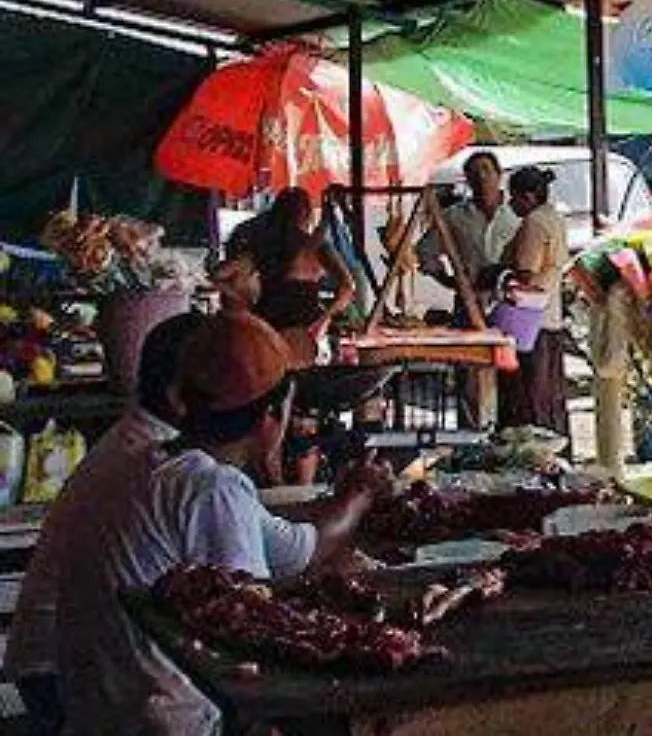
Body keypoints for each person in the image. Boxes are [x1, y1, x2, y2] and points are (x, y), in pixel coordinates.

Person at [53, 309, 388, 736]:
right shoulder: (209, 488)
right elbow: (258, 637)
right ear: (270, 418)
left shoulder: (149, 462)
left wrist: (356, 498)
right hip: (162, 722)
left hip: (97, 710)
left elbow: (299, 547)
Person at [4, 311, 202, 736]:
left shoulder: (141, 442)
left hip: (58, 659)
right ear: (179, 394)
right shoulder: (158, 463)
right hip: (58, 672)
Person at [242, 188, 356, 366]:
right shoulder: (317, 246)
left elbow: (231, 278)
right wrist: (324, 319)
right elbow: (348, 287)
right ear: (306, 214)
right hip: (306, 330)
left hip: (266, 326)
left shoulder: (262, 246)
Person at [496, 166, 569, 433]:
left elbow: (526, 273)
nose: (510, 204)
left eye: (513, 198)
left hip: (529, 322)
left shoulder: (534, 223)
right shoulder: (555, 218)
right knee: (549, 397)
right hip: (550, 318)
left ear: (526, 197)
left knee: (529, 397)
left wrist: (499, 276)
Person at [417, 151, 521, 303]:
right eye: (474, 172)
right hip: (470, 302)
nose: (481, 176)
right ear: (467, 180)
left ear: (499, 174)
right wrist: (448, 280)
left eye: (486, 169)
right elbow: (425, 250)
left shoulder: (517, 213)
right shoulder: (454, 216)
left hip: (512, 302)